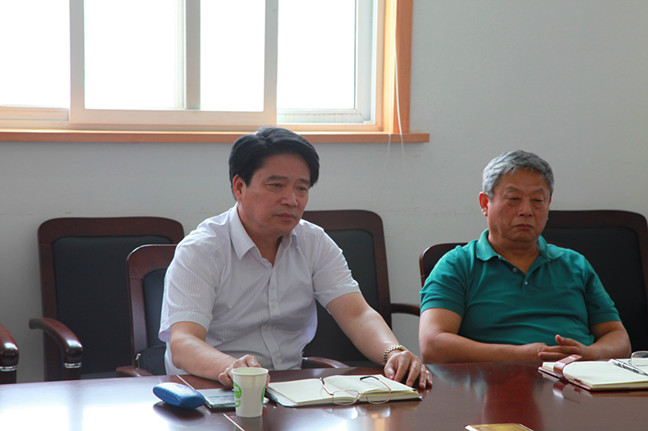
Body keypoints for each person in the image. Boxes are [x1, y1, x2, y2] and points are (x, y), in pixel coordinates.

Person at [160, 126, 432, 389]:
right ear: (239, 187)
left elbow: (357, 314)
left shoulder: (314, 242)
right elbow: (183, 343)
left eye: (301, 188)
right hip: (208, 389)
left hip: (289, 389)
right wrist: (232, 367)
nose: (291, 199)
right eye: (276, 185)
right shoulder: (201, 250)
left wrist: (393, 352)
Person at [419, 150, 631, 363]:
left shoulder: (575, 264)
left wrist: (588, 354)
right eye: (513, 199)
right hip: (493, 378)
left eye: (538, 200)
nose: (526, 210)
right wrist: (520, 356)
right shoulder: (457, 265)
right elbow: (432, 345)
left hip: (577, 377)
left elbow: (618, 338)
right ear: (485, 203)